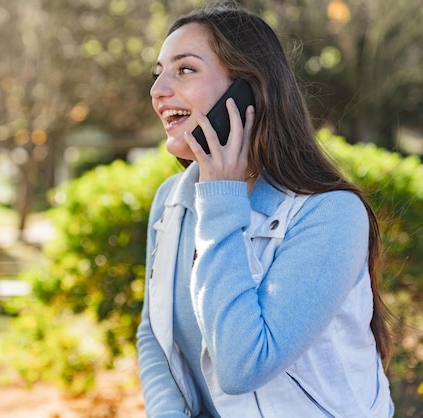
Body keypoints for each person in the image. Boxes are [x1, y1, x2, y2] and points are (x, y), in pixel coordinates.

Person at [136, 5, 394, 417]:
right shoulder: (173, 201)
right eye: (158, 72)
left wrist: (221, 198)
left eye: (185, 70)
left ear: (247, 90)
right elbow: (155, 331)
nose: (158, 90)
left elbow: (242, 366)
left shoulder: (331, 215)